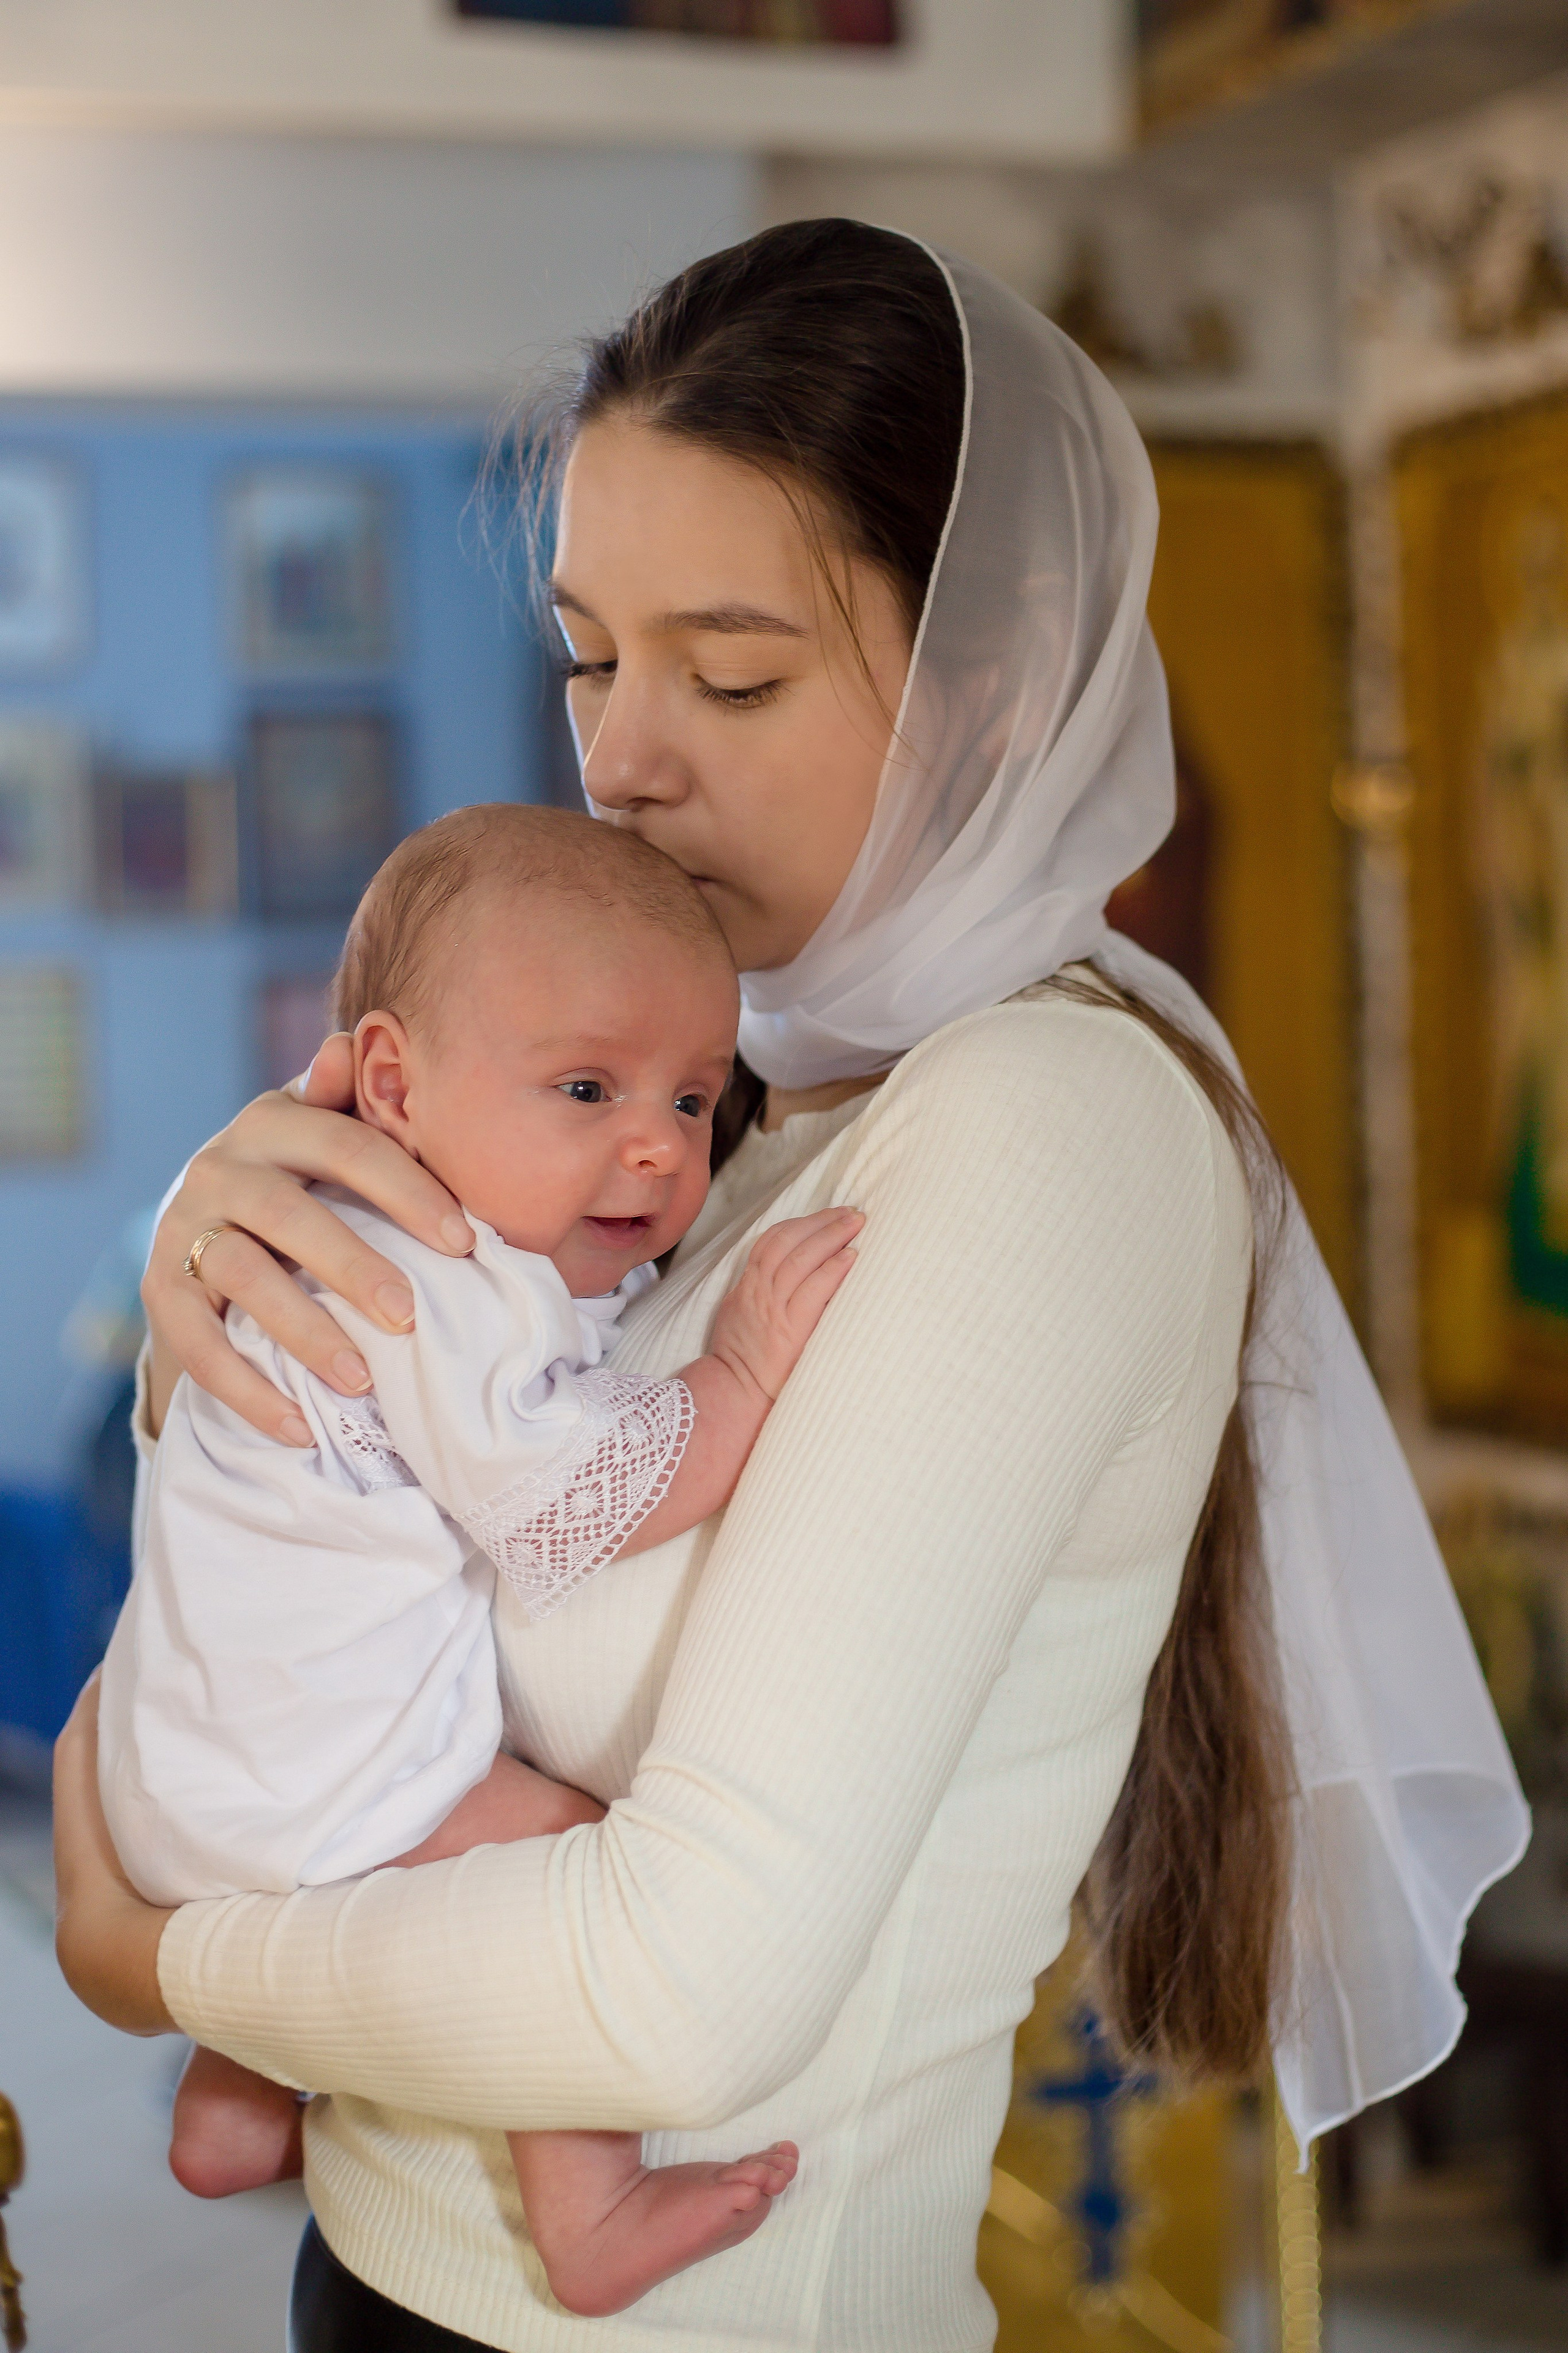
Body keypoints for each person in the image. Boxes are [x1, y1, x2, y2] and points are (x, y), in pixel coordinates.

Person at [53, 221, 1525, 2352]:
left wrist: (147, 1952)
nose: (626, 757)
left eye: (729, 672)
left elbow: (677, 1987)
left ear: (991, 680)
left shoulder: (1038, 1123)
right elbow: (310, 1615)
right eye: (587, 655)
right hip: (383, 2279)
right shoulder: (716, 1110)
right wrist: (229, 1327)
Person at [102, 805, 863, 2314]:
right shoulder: (444, 1278)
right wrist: (745, 1376)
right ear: (389, 1081)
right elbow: (576, 1503)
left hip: (170, 1767)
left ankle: (235, 2100)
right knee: (561, 1850)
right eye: (586, 1086)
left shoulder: (305, 1229)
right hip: (306, 1777)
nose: (656, 1142)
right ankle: (589, 2214)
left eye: (696, 1098)